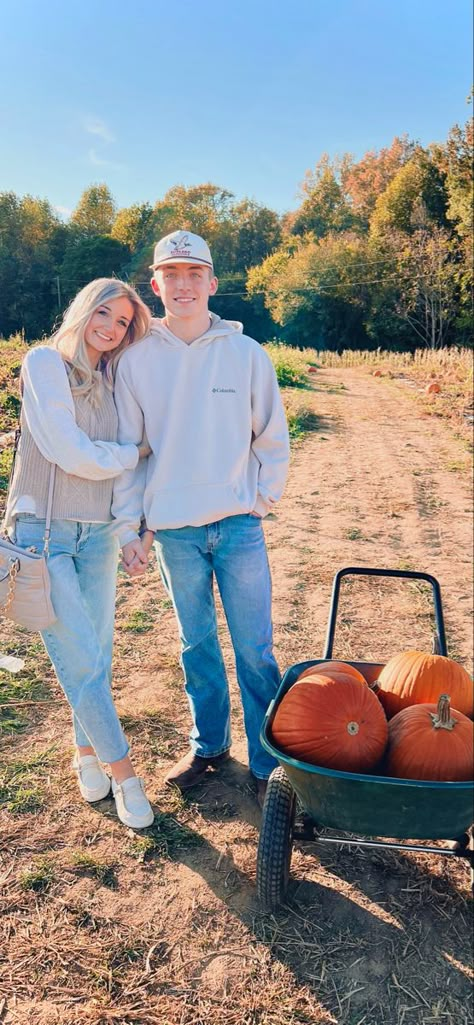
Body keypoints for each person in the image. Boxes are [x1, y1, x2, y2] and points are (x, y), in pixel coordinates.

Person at [112, 230, 290, 806]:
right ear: (156, 284)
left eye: (196, 275)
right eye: (172, 274)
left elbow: (272, 438)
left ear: (212, 283)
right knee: (197, 647)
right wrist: (135, 526)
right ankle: (209, 746)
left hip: (238, 526)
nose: (184, 285)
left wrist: (259, 501)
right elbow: (131, 453)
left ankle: (268, 764)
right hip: (176, 533)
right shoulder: (135, 362)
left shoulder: (246, 354)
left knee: (255, 651)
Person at [4, 278, 155, 829]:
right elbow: (69, 452)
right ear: (83, 310)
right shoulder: (44, 364)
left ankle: (87, 754)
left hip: (94, 536)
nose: (111, 329)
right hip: (41, 532)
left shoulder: (115, 381)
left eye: (123, 323)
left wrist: (124, 532)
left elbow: (112, 479)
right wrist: (131, 452)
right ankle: (126, 774)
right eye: (105, 314)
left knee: (96, 656)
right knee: (82, 661)